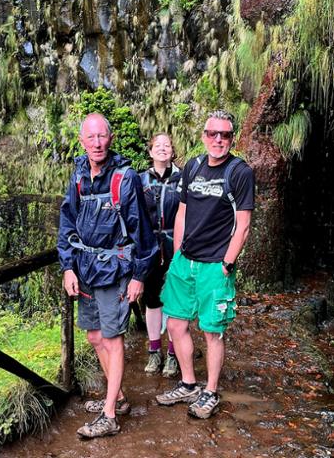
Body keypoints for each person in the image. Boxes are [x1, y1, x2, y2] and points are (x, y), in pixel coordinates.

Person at [58, 113, 157, 438]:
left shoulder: (125, 178)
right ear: (82, 140)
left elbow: (143, 231)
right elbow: (67, 223)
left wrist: (139, 276)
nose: (97, 143)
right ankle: (120, 398)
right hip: (85, 270)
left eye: (102, 136)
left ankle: (110, 414)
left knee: (113, 340)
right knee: (95, 337)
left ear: (110, 139)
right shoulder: (78, 177)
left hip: (115, 270)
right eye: (91, 137)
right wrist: (68, 266)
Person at [156, 110, 255, 419]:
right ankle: (188, 384)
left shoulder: (240, 172)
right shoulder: (194, 167)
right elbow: (182, 212)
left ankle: (210, 390)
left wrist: (228, 262)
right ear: (203, 136)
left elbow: (243, 225)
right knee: (175, 323)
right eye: (212, 133)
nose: (218, 140)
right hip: (185, 260)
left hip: (215, 264)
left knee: (212, 331)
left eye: (224, 135)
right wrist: (176, 254)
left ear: (232, 138)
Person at [139, 133, 182, 378]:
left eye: (167, 145)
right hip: (150, 248)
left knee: (176, 302)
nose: (162, 149)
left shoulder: (183, 178)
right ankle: (154, 352)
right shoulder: (141, 180)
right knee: (153, 300)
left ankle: (174, 355)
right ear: (151, 151)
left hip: (175, 245)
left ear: (172, 151)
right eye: (158, 146)